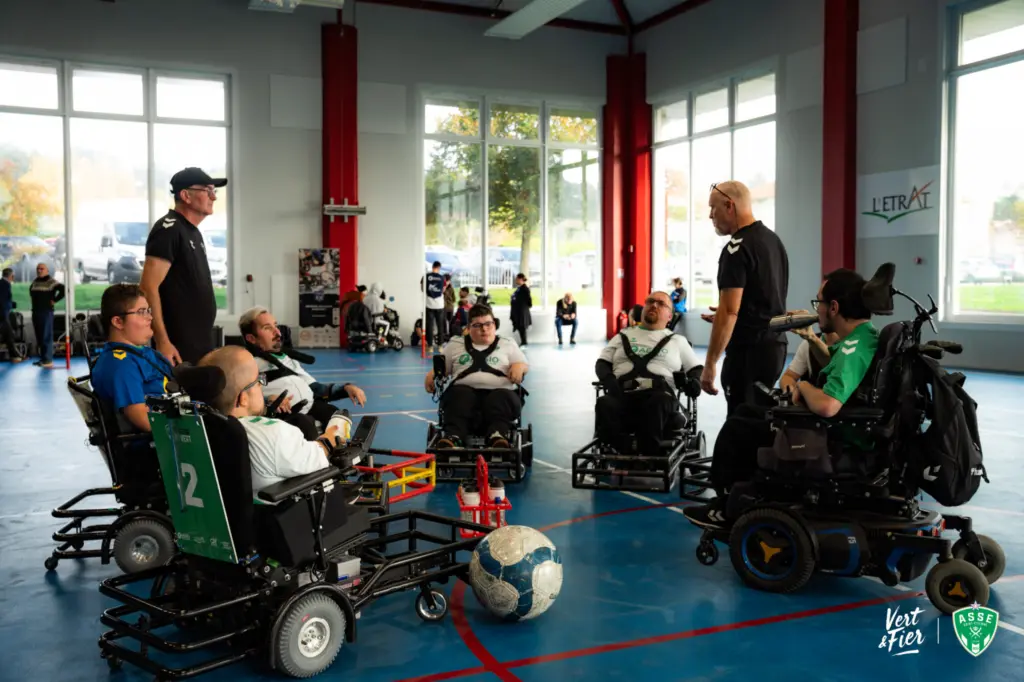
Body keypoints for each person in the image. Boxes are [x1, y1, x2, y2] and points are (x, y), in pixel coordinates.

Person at [687, 269, 879, 524]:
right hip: (837, 428)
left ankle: (728, 507)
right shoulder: (864, 337)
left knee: (738, 429)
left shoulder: (852, 349)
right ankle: (738, 498)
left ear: (834, 307)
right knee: (746, 411)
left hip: (832, 438)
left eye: (819, 303)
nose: (817, 310)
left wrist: (804, 387)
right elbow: (835, 370)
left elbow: (827, 405)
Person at [196, 346, 347, 496]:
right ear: (243, 398)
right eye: (258, 381)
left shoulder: (195, 430)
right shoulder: (274, 434)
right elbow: (319, 455)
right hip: (285, 509)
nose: (262, 385)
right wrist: (331, 437)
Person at [699, 181, 789, 415]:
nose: (710, 215)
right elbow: (763, 298)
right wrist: (729, 315)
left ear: (730, 206)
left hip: (749, 352)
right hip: (774, 347)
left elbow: (730, 311)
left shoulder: (736, 248)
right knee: (759, 418)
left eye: (713, 208)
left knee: (742, 423)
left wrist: (710, 364)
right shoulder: (772, 241)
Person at [595, 291, 703, 456]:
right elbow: (602, 363)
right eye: (650, 301)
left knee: (657, 403)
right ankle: (621, 451)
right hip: (623, 394)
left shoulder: (678, 341)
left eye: (661, 304)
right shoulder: (622, 336)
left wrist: (694, 382)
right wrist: (609, 380)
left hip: (660, 396)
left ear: (669, 316)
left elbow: (695, 368)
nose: (654, 305)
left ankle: (648, 455)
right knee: (604, 403)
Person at [141, 167, 226, 366]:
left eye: (214, 191)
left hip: (199, 341)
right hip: (177, 346)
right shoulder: (168, 229)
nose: (214, 197)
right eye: (208, 190)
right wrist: (163, 341)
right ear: (186, 196)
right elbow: (147, 287)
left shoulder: (193, 232)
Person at [239, 306, 366, 429]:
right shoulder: (248, 364)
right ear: (251, 338)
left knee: (339, 418)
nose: (277, 332)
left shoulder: (287, 358)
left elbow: (315, 388)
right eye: (267, 328)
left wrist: (345, 388)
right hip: (282, 416)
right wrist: (268, 399)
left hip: (309, 406)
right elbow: (242, 400)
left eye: (275, 326)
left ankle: (335, 443)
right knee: (304, 424)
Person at [424, 304, 528, 450]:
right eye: (478, 325)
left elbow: (524, 364)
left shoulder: (507, 343)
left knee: (501, 397)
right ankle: (454, 437)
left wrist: (519, 366)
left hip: (501, 395)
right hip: (463, 396)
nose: (484, 329)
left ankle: (498, 436)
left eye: (488, 324)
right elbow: (441, 367)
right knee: (458, 395)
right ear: (468, 328)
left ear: (494, 325)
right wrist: (432, 374)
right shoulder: (455, 344)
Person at [91, 284, 174, 433]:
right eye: (141, 312)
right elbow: (144, 420)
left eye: (148, 311)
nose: (150, 317)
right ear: (118, 322)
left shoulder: (141, 352)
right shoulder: (122, 365)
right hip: (158, 439)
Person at [29, 263, 65, 369]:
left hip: (46, 312)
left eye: (42, 269)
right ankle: (43, 358)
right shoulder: (35, 282)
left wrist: (55, 300)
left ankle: (48, 360)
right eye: (38, 269)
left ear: (47, 270)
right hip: (36, 311)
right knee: (39, 336)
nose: (39, 270)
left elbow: (63, 290)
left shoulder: (51, 282)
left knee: (46, 336)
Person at [421, 261, 446, 353]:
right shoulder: (442, 278)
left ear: (432, 267)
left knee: (429, 326)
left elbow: (422, 289)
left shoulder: (426, 276)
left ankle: (430, 347)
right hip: (439, 305)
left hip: (429, 305)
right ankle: (440, 347)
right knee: (440, 326)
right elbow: (443, 290)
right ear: (439, 268)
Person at [0, 268, 24, 363]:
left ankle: (15, 356)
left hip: (3, 314)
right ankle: (16, 356)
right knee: (9, 335)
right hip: (2, 315)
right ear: (11, 276)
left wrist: (11, 303)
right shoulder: (5, 284)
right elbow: (3, 301)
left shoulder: (3, 283)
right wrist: (10, 305)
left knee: (9, 336)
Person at [509, 273, 532, 347]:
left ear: (521, 279)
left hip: (521, 312)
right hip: (518, 311)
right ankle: (523, 342)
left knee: (522, 327)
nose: (515, 280)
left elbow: (528, 300)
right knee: (520, 327)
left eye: (517, 279)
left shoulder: (525, 289)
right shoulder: (520, 288)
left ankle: (524, 342)